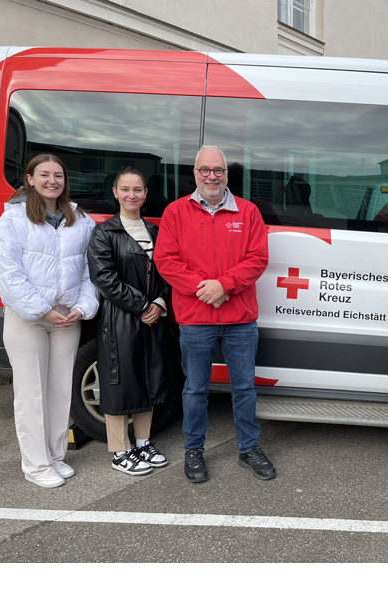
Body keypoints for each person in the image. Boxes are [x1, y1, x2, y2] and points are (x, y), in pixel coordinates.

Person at [154, 145, 274, 483]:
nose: (212, 176)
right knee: (195, 389)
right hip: (195, 318)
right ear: (195, 174)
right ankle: (193, 450)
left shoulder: (248, 213)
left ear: (226, 174)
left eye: (218, 170)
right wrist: (203, 289)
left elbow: (257, 259)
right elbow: (166, 261)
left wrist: (224, 286)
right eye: (205, 170)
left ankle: (248, 448)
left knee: (245, 387)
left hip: (240, 319)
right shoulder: (176, 212)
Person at [0, 154, 98, 488]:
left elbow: (90, 272)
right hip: (28, 319)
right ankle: (35, 465)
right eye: (45, 175)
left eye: (59, 176)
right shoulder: (12, 220)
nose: (53, 181)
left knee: (59, 391)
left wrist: (82, 306)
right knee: (31, 393)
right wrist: (40, 310)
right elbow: (6, 273)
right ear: (30, 179)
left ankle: (54, 457)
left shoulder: (81, 220)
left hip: (67, 318)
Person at [87, 168, 172, 476]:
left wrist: (160, 304)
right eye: (126, 189)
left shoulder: (155, 232)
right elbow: (104, 279)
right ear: (115, 192)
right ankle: (119, 450)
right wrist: (142, 306)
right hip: (120, 318)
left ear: (145, 194)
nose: (132, 195)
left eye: (138, 189)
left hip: (152, 319)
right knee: (120, 383)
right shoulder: (104, 233)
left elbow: (167, 274)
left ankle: (143, 442)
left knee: (149, 379)